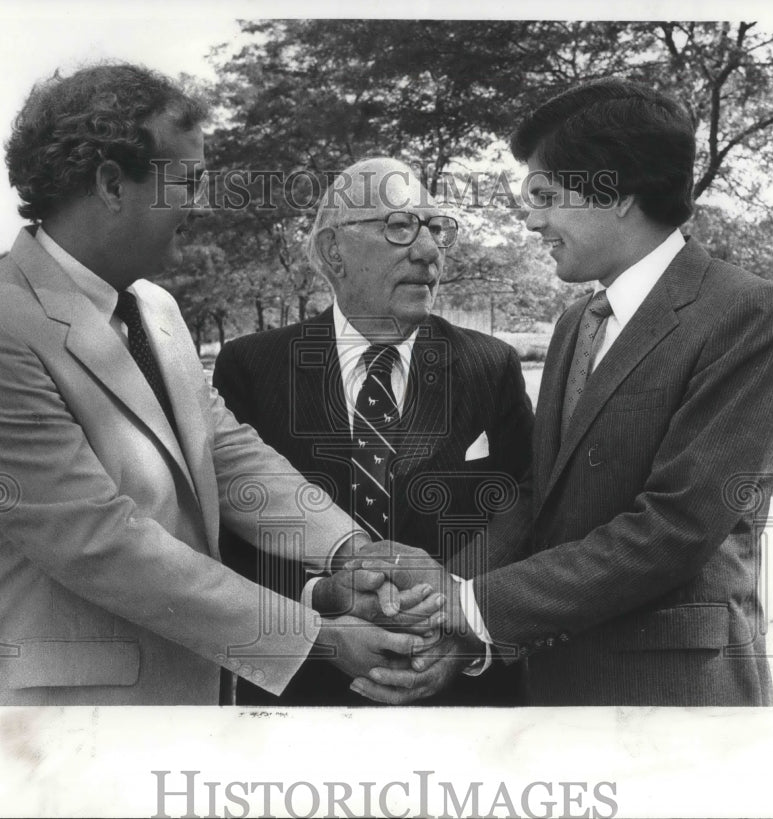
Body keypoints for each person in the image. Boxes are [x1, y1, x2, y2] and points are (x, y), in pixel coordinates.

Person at [0, 64, 432, 706]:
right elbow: (99, 544)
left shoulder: (154, 308)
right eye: (187, 182)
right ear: (110, 183)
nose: (198, 204)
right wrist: (316, 637)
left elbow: (227, 452)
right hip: (74, 729)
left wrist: (350, 550)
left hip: (191, 703)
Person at [350, 78, 773, 706]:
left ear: (614, 192)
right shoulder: (576, 324)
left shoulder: (748, 313)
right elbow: (545, 494)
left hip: (673, 696)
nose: (532, 219)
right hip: (556, 688)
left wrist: (470, 603)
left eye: (545, 195)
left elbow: (676, 526)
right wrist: (448, 592)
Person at [212, 157, 534, 705]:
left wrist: (459, 627)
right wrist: (323, 598)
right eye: (400, 227)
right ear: (335, 251)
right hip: (306, 699)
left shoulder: (490, 364)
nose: (429, 252)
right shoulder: (252, 366)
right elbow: (225, 533)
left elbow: (527, 506)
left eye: (436, 229)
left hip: (464, 698)